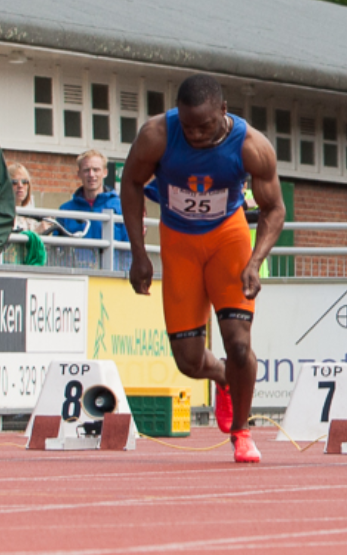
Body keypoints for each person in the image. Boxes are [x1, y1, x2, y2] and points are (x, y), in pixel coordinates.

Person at [119, 74, 285, 464]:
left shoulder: (250, 146)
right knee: (189, 362)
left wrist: (255, 262)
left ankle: (242, 433)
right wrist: (139, 253)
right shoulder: (157, 134)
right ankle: (225, 378)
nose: (194, 134)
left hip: (228, 237)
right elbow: (130, 182)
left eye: (205, 125)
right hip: (178, 242)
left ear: (224, 111)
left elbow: (274, 209)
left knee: (239, 343)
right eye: (189, 126)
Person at [58, 149, 130, 269]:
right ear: (79, 174)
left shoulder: (122, 208)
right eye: (86, 170)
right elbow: (58, 251)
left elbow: (130, 249)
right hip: (77, 278)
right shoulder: (66, 211)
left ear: (105, 172)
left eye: (96, 170)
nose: (91, 175)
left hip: (111, 278)